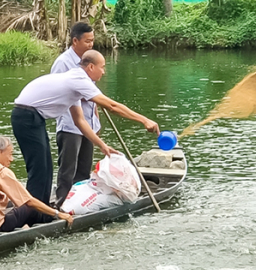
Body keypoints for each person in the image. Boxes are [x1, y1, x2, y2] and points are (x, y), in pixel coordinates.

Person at [11, 50, 160, 205]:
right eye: (102, 67)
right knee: (40, 169)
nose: (104, 72)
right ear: (90, 67)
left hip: (33, 117)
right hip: (26, 116)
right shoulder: (79, 79)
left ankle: (42, 210)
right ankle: (33, 212)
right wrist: (144, 120)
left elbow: (80, 121)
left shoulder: (74, 82)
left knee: (46, 168)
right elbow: (112, 106)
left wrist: (102, 146)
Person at [0, 136, 73, 232]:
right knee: (31, 209)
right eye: (10, 154)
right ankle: (45, 226)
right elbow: (29, 202)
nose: (12, 159)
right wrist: (57, 214)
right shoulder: (1, 171)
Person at [51, 22, 100, 206]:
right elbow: (56, 91)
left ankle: (79, 203)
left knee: (84, 168)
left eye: (92, 41)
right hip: (70, 124)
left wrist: (97, 122)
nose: (90, 45)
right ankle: (61, 203)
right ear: (75, 41)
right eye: (87, 41)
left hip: (89, 124)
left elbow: (94, 95)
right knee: (67, 169)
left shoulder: (90, 63)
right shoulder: (63, 63)